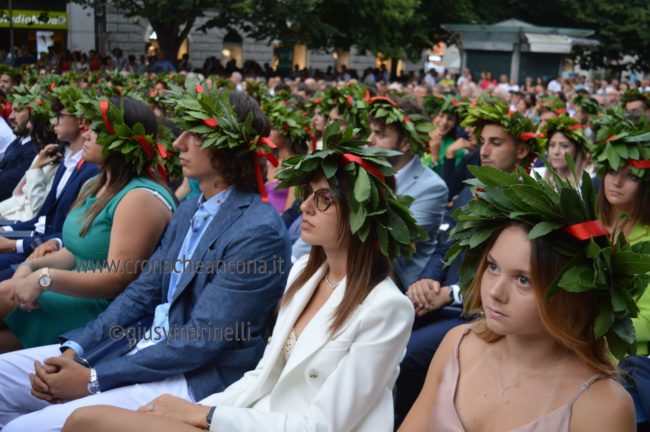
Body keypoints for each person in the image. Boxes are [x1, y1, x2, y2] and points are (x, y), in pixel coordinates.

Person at [62, 126, 419, 432]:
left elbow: (322, 426)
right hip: (250, 418)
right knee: (88, 419)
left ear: (361, 215)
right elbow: (261, 377)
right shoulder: (304, 274)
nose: (305, 206)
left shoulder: (387, 308)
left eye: (324, 199)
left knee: (85, 420)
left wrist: (205, 415)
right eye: (308, 193)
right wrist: (196, 412)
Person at [0, 90, 291, 431]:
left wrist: (93, 378)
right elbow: (143, 291)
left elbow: (201, 339)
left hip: (192, 377)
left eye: (194, 135)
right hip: (137, 344)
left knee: (24, 428)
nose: (178, 143)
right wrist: (76, 349)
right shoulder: (191, 207)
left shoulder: (258, 230)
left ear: (228, 148)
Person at [399, 165, 641, 431]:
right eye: (493, 266)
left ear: (570, 291)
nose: (495, 292)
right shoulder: (457, 344)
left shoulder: (603, 405)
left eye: (523, 280)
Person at [0, 96, 176, 352]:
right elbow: (76, 252)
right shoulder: (94, 184)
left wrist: (44, 278)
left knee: (4, 293)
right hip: (72, 289)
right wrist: (30, 266)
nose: (86, 135)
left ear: (122, 141)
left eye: (97, 130)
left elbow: (117, 279)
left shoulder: (140, 197)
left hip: (103, 309)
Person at [533, 116, 590, 188]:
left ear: (576, 150)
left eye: (564, 146)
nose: (556, 152)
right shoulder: (536, 175)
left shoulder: (585, 185)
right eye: (552, 145)